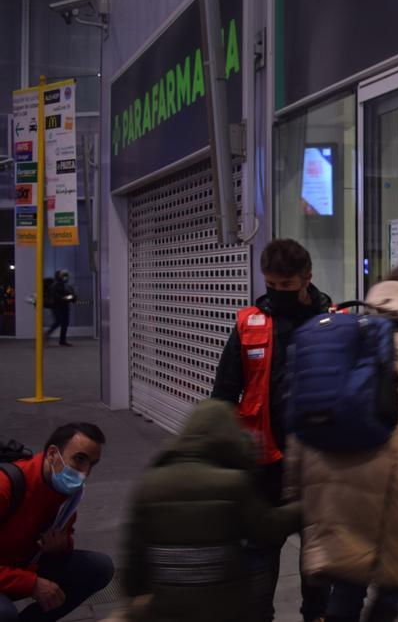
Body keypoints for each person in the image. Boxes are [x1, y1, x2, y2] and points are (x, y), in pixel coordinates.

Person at [287, 265, 398, 622]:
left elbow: (300, 407)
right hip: (382, 470)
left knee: (348, 572)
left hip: (326, 462)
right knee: (392, 578)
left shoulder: (354, 328)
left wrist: (293, 484)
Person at [210, 238, 331, 622]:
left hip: (317, 458)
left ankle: (316, 615)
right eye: (271, 285)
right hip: (264, 460)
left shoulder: (331, 321)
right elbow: (225, 391)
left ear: (307, 278)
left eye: (287, 285)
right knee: (260, 552)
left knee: (317, 554)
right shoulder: (249, 324)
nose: (278, 293)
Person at [121, 400, 301, 622]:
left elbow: (133, 562)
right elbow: (269, 528)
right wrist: (305, 507)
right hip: (224, 609)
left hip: (167, 611)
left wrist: (137, 601)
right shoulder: (233, 483)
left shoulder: (150, 484)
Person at [0, 423, 112, 622]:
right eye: (79, 459)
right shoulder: (6, 486)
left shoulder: (66, 492)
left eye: (92, 464)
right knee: (5, 614)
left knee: (99, 568)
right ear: (52, 454)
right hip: (9, 572)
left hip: (21, 565)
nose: (85, 472)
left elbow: (65, 536)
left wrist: (61, 545)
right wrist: (31, 584)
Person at [44, 272, 75, 347]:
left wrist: (71, 297)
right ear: (59, 277)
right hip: (57, 306)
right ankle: (47, 334)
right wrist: (64, 298)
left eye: (66, 276)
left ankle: (62, 341)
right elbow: (56, 296)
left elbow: (68, 294)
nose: (66, 278)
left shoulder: (65, 285)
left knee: (65, 323)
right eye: (64, 276)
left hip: (64, 306)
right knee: (59, 321)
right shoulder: (55, 285)